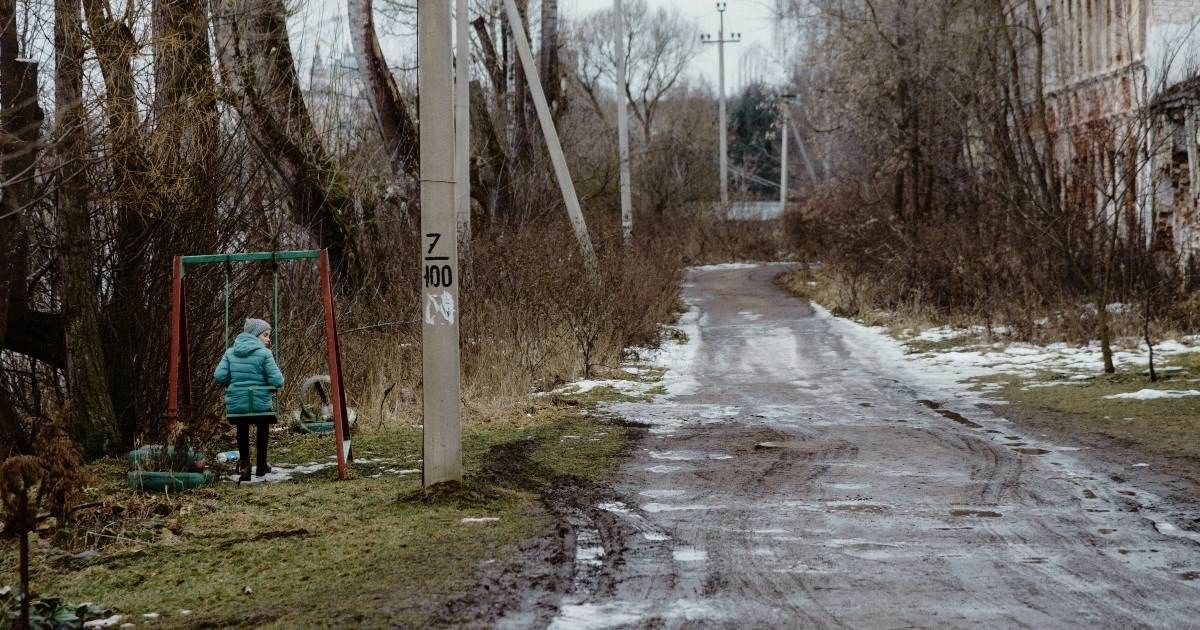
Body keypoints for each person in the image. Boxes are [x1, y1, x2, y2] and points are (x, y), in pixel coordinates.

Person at [214, 318, 285, 482]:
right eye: (265, 335)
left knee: (242, 426)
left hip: (237, 406)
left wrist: (232, 382)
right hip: (260, 405)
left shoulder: (230, 353)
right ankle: (261, 465)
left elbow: (219, 376)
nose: (268, 339)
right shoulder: (265, 354)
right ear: (255, 336)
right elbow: (278, 381)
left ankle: (245, 465)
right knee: (262, 426)